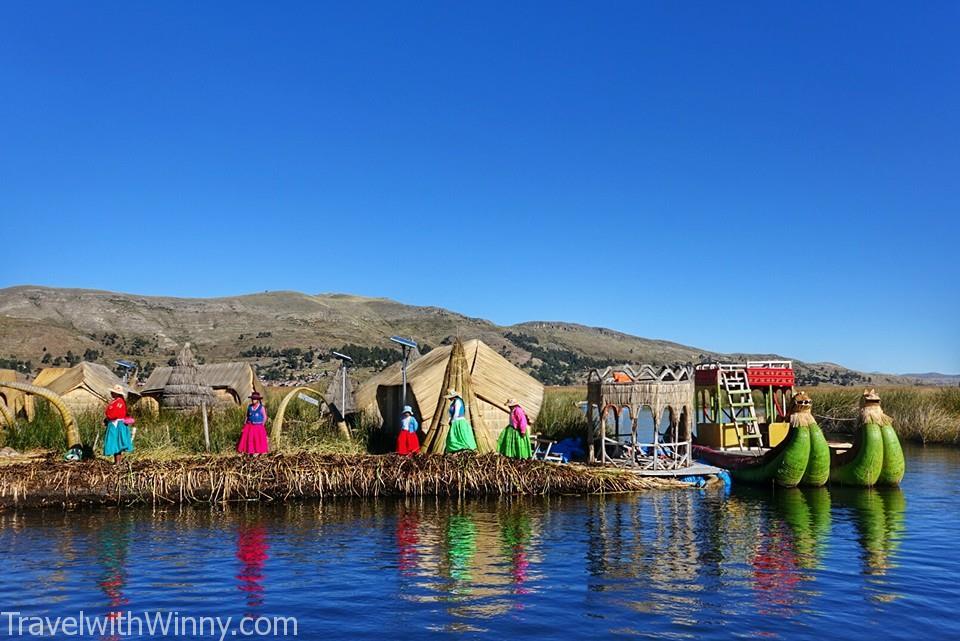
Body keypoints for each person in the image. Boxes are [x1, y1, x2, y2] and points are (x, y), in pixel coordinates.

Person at [103, 384, 134, 464]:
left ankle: (118, 463)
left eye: (113, 392)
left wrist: (108, 417)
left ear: (117, 393)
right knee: (115, 443)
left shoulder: (119, 402)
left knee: (117, 443)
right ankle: (117, 462)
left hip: (117, 425)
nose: (111, 393)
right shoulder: (115, 401)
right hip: (113, 424)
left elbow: (115, 414)